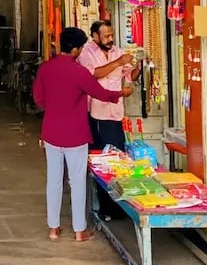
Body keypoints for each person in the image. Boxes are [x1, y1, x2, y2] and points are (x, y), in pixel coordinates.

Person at [32, 26, 133, 242]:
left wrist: (53, 107)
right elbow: (101, 93)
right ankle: (79, 230)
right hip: (75, 135)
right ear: (77, 49)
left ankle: (53, 228)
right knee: (77, 181)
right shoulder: (79, 72)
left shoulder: (45, 69)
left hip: (51, 132)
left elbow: (38, 99)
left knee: (53, 180)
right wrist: (120, 94)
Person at [78, 20, 141, 151]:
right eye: (106, 36)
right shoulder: (85, 52)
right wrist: (118, 62)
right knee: (99, 153)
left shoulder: (117, 51)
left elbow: (130, 76)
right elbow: (92, 74)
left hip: (115, 110)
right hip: (96, 111)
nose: (110, 39)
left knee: (117, 151)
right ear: (95, 36)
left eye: (111, 35)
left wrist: (139, 68)